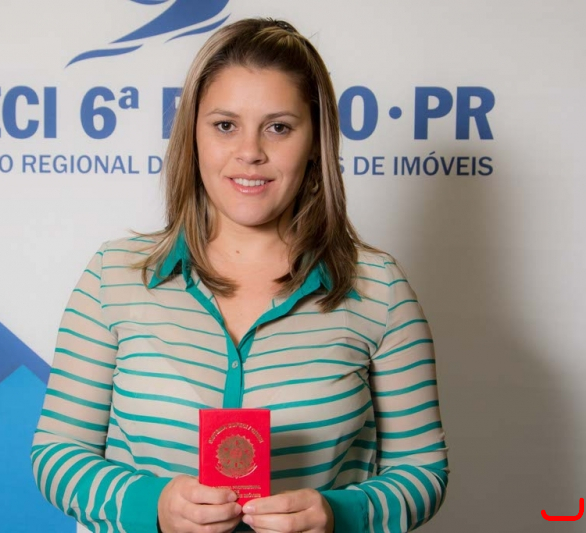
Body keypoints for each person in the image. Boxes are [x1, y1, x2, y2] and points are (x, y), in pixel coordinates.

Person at [31, 17, 449, 533]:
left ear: (315, 141)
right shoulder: (113, 276)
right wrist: (153, 505)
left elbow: (422, 471)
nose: (250, 151)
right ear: (193, 136)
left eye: (279, 127)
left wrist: (338, 514)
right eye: (225, 125)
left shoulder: (378, 288)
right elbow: (58, 453)